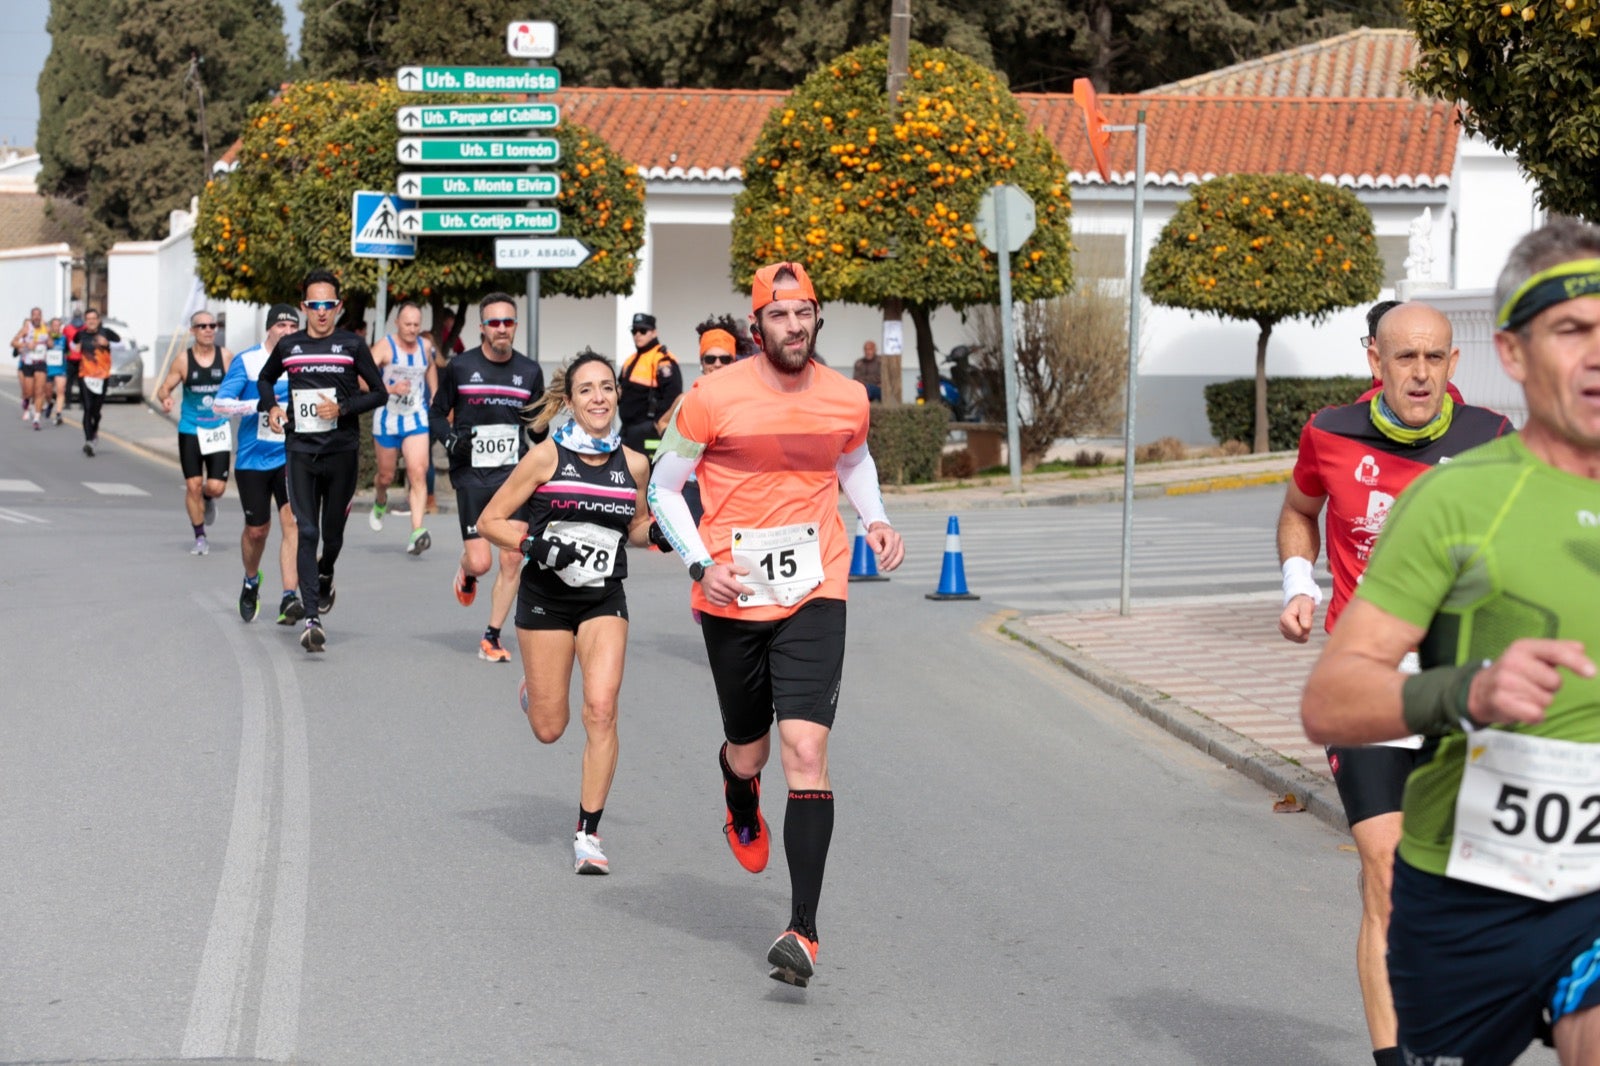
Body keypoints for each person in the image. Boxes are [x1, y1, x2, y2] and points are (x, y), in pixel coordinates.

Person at [1301, 219, 1600, 1066]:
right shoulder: (1459, 497)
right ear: (1514, 353)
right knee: (1387, 877)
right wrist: (1467, 692)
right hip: (1469, 885)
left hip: (1585, 891)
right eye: (1571, 331)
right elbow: (1330, 700)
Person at [648, 260, 904, 987]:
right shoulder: (707, 398)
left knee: (804, 750)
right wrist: (702, 565)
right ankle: (736, 788)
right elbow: (663, 490)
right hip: (732, 591)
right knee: (752, 751)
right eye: (779, 315)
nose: (794, 326)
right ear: (755, 325)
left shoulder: (847, 396)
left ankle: (803, 932)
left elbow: (853, 460)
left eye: (805, 313)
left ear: (817, 317)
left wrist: (876, 520)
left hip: (817, 584)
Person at [1278, 301, 1511, 1066]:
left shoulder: (1491, 443)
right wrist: (1295, 584)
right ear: (1375, 361)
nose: (1420, 373)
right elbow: (1298, 510)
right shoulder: (1330, 433)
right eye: (1405, 357)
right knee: (1384, 870)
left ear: (1454, 364)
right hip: (1366, 680)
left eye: (1435, 358)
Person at [478, 350, 653, 874]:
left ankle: (588, 834)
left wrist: (660, 533)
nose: (598, 398)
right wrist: (537, 544)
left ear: (617, 394)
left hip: (604, 599)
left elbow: (636, 528)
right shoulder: (546, 458)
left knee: (601, 709)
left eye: (606, 388)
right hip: (545, 600)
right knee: (549, 728)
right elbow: (491, 519)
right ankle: (535, 688)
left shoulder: (635, 463)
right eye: (586, 390)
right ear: (571, 401)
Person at [258, 269, 387, 653]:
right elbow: (266, 380)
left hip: (342, 452)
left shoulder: (351, 345)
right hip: (299, 451)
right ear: (304, 307)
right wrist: (273, 408)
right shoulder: (290, 346)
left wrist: (343, 407)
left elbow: (378, 393)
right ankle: (311, 617)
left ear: (338, 306)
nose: (321, 312)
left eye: (327, 305)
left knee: (331, 537)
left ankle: (327, 571)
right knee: (306, 531)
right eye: (313, 305)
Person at [429, 292, 546, 663]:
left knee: (512, 557)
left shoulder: (529, 372)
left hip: (514, 476)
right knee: (482, 562)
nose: (501, 329)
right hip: (472, 474)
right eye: (493, 323)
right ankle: (466, 572)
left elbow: (537, 429)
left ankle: (491, 636)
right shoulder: (461, 367)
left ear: (514, 327)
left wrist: (548, 425)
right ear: (482, 328)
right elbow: (435, 414)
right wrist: (450, 440)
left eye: (507, 322)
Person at [212, 304, 304, 624]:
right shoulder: (248, 361)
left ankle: (290, 596)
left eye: (294, 328)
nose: (288, 333)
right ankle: (251, 580)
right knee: (257, 531)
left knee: (291, 521)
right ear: (269, 329)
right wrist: (260, 404)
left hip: (290, 455)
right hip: (252, 458)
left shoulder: (302, 363)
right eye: (282, 326)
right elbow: (220, 404)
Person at [156, 310, 234, 555]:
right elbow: (164, 388)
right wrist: (166, 399)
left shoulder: (226, 357)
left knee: (216, 488)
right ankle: (200, 537)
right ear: (193, 331)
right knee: (192, 485)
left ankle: (207, 498)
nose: (209, 330)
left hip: (218, 429)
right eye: (203, 326)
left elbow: (240, 385)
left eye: (213, 325)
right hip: (191, 428)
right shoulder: (183, 360)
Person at [369, 301, 438, 555]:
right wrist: (390, 389)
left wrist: (435, 394)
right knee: (385, 475)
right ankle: (380, 498)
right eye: (407, 324)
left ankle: (416, 532)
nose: (412, 329)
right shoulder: (384, 346)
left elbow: (430, 368)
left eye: (416, 325)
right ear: (397, 323)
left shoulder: (426, 346)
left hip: (415, 416)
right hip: (387, 417)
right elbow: (362, 379)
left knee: (418, 471)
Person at [618, 312, 681, 455]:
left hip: (648, 430)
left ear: (654, 332)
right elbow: (619, 389)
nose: (638, 335)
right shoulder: (630, 360)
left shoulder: (662, 359)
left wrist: (659, 422)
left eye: (643, 331)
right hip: (627, 429)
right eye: (634, 331)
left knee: (645, 473)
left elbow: (673, 395)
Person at [13, 307, 49, 429]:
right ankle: (27, 400)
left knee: (39, 391)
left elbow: (51, 344)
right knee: (28, 392)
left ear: (41, 316)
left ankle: (37, 419)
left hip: (41, 362)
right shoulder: (26, 328)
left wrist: (49, 340)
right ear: (31, 316)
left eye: (39, 315)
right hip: (28, 363)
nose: (37, 317)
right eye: (34, 315)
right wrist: (26, 344)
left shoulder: (46, 328)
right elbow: (13, 342)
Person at [77, 332, 111, 456]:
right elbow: (73, 342)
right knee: (87, 408)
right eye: (88, 318)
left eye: (94, 318)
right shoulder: (82, 335)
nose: (91, 321)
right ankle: (89, 441)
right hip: (85, 375)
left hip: (102, 377)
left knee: (96, 412)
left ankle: (95, 427)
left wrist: (107, 342)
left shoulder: (105, 332)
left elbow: (118, 340)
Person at [44, 317, 67, 424]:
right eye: (54, 325)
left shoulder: (64, 339)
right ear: (51, 327)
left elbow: (69, 352)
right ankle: (50, 403)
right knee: (48, 393)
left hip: (60, 369)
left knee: (60, 390)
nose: (56, 328)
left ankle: (58, 414)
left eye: (58, 325)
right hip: (48, 369)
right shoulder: (46, 339)